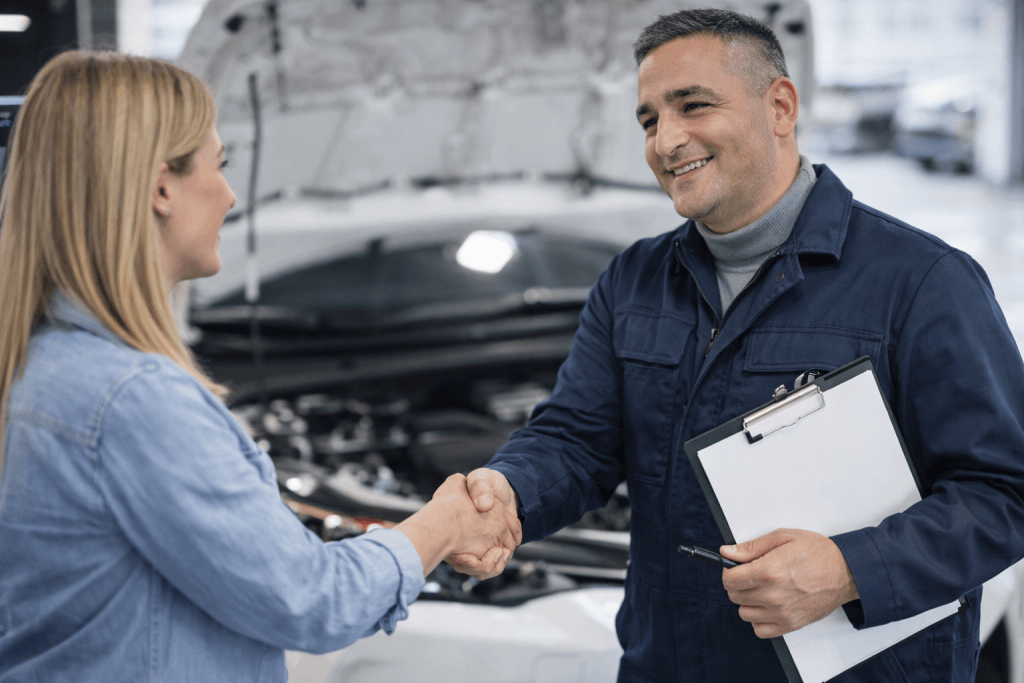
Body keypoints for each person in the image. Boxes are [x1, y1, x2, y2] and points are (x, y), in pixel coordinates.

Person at [448, 8, 1024, 682]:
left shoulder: (922, 282)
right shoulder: (633, 281)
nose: (667, 140)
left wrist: (849, 569)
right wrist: (509, 488)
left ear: (780, 106)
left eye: (693, 106)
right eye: (649, 120)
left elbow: (1004, 490)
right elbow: (577, 438)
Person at [0, 51, 519, 681]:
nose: (230, 194)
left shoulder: (40, 365)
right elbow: (311, 599)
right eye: (218, 165)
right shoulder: (134, 399)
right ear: (162, 186)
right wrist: (443, 523)